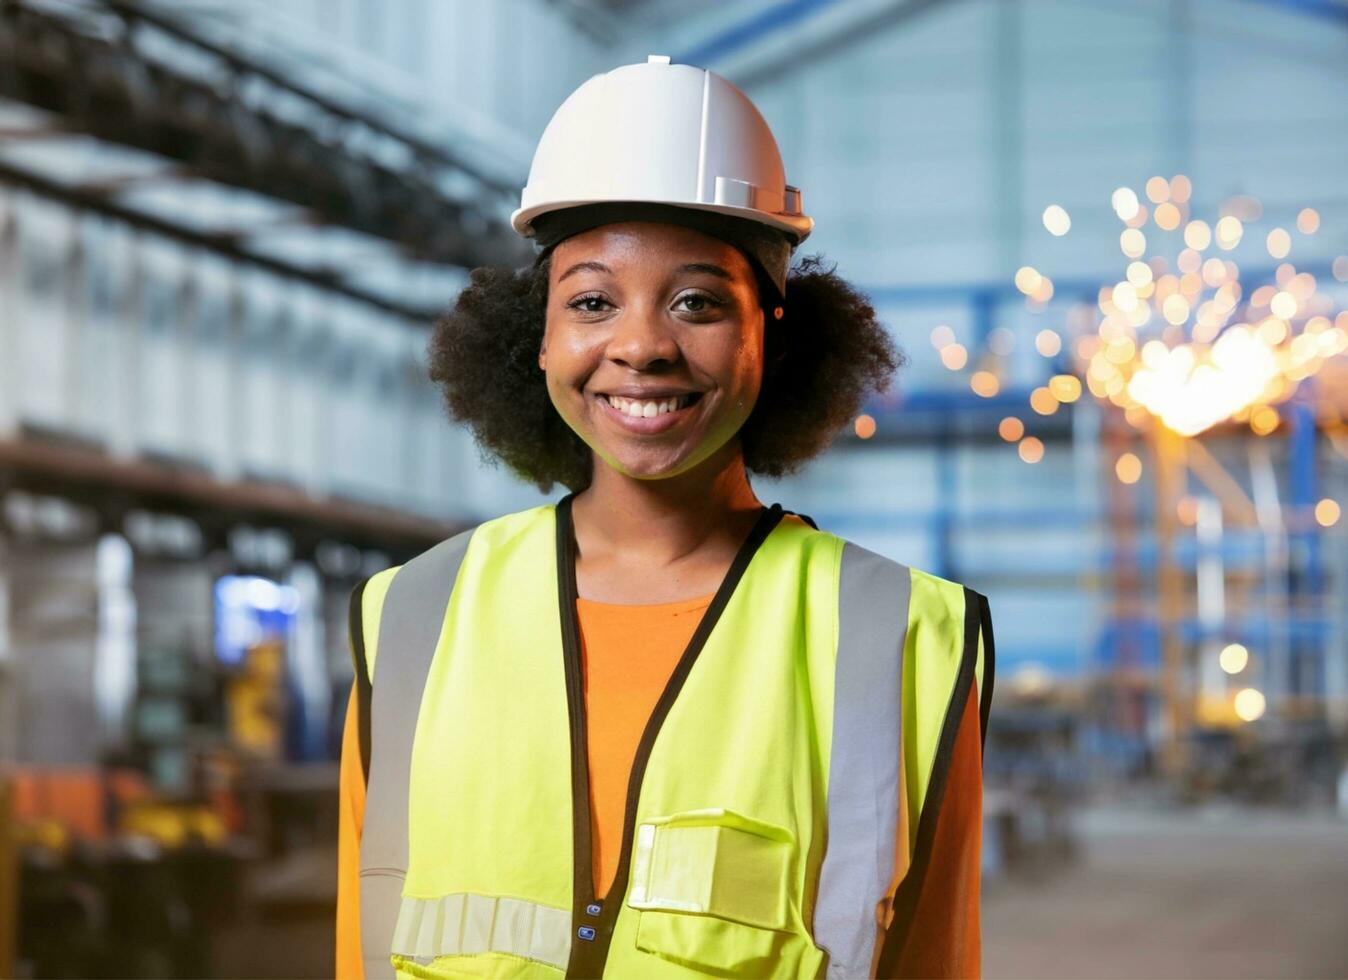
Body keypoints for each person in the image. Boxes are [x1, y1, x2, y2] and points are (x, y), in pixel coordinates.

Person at [336, 55, 993, 980]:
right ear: (540, 340)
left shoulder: (902, 636)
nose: (641, 345)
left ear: (775, 334)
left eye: (698, 302)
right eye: (593, 301)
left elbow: (932, 956)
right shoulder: (413, 615)